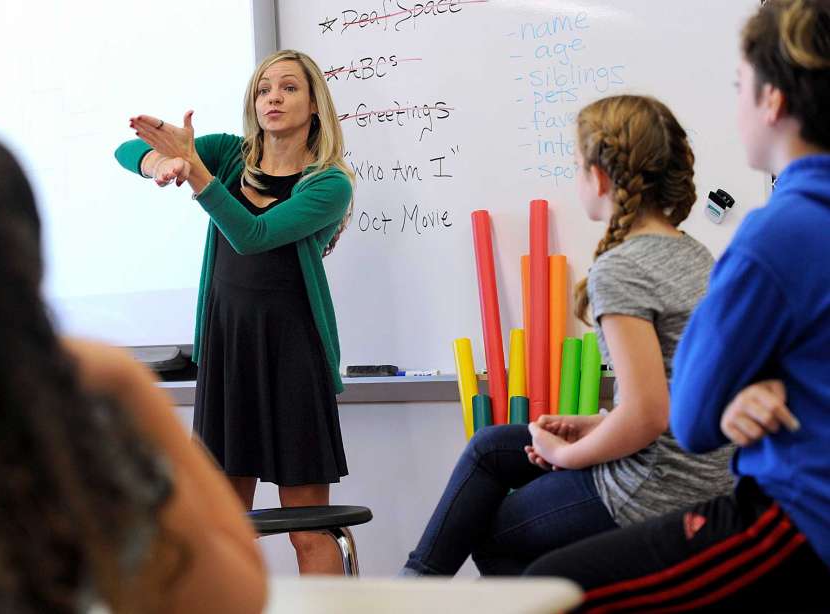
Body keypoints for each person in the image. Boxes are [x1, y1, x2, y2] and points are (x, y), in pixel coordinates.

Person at [525, 1, 830, 610]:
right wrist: (759, 381)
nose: (735, 104)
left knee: (544, 594)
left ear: (771, 102)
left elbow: (687, 418)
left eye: (739, 86)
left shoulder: (777, 233)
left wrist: (744, 384)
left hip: (797, 516)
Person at [0, 119, 266, 613]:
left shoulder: (322, 181)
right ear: (24, 249)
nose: (273, 99)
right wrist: (130, 392)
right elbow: (233, 599)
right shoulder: (74, 406)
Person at [400, 95, 734, 577]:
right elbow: (667, 398)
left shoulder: (622, 268)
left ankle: (409, 595)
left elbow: (647, 414)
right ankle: (410, 593)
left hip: (656, 484)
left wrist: (568, 454)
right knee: (490, 447)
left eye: (577, 165)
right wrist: (591, 424)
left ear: (599, 177)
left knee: (491, 534)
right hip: (702, 472)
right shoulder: (696, 255)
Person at [115, 49, 355, 574]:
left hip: (294, 356)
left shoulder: (329, 183)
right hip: (227, 353)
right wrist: (163, 160)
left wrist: (197, 175)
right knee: (220, 527)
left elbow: (253, 236)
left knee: (307, 529)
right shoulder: (228, 154)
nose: (273, 96)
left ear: (315, 104)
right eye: (265, 88)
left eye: (289, 87)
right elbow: (126, 149)